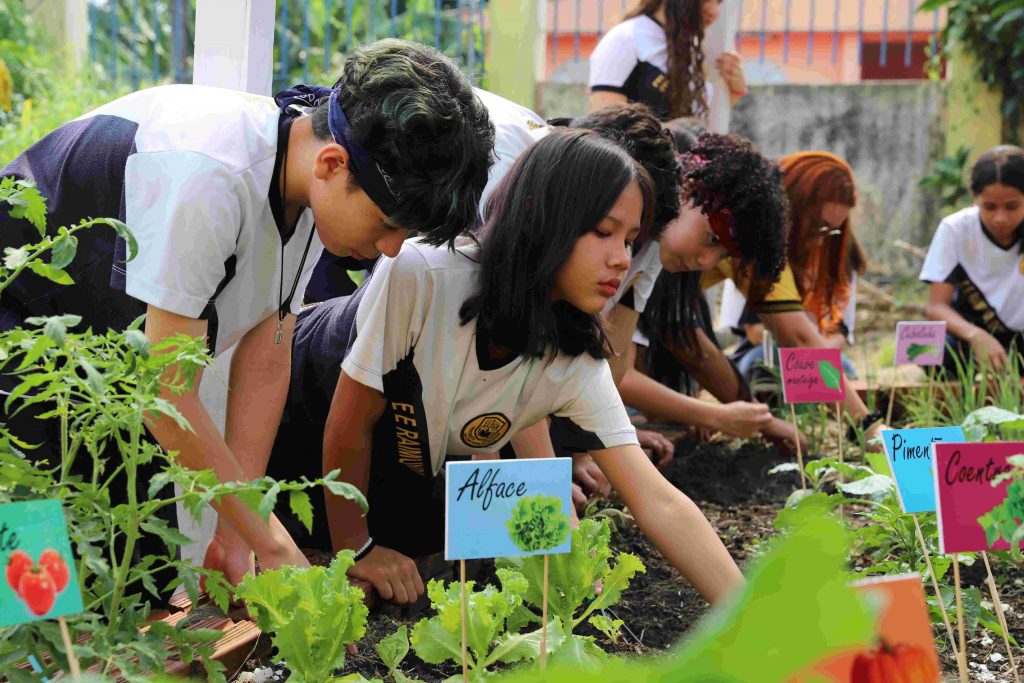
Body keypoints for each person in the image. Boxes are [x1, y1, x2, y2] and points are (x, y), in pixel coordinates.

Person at [0, 39, 495, 588]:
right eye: (387, 226)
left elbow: (269, 352)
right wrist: (271, 538)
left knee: (138, 578)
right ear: (334, 164)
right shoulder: (207, 175)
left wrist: (237, 535)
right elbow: (164, 388)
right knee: (35, 589)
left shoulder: (304, 185)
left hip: (111, 376)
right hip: (23, 351)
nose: (392, 250)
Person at [269, 130, 744, 608]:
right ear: (543, 217)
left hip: (397, 458)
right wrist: (358, 547)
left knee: (432, 547)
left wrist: (754, 622)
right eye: (603, 231)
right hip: (292, 418)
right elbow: (349, 424)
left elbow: (657, 500)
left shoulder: (573, 353)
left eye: (630, 239)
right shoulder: (424, 273)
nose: (622, 258)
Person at [722, 152, 868, 382]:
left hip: (820, 353)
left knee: (844, 371)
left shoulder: (839, 256)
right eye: (818, 227)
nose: (821, 240)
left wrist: (818, 353)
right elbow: (757, 332)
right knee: (764, 367)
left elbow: (839, 331)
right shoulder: (759, 251)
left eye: (832, 231)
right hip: (771, 353)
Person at [922, 145, 1024, 373]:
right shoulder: (955, 229)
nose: (1000, 218)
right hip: (967, 337)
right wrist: (975, 335)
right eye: (989, 207)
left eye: (1012, 207)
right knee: (928, 351)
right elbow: (936, 306)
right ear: (974, 198)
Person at [588, 0, 747, 120]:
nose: (715, 11)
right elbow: (606, 126)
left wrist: (735, 91)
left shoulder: (692, 50)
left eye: (719, 2)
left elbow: (701, 123)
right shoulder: (626, 39)